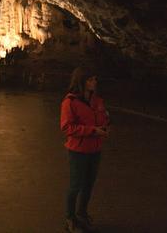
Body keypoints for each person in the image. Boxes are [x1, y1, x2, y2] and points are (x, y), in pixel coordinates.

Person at [60, 67, 110, 232]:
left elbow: (103, 117)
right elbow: (67, 127)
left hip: (95, 150)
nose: (94, 82)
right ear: (81, 82)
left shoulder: (97, 100)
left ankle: (81, 213)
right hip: (78, 151)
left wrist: (105, 127)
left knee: (89, 184)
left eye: (95, 78)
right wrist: (92, 131)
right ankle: (70, 218)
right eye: (90, 79)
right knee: (75, 186)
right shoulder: (70, 102)